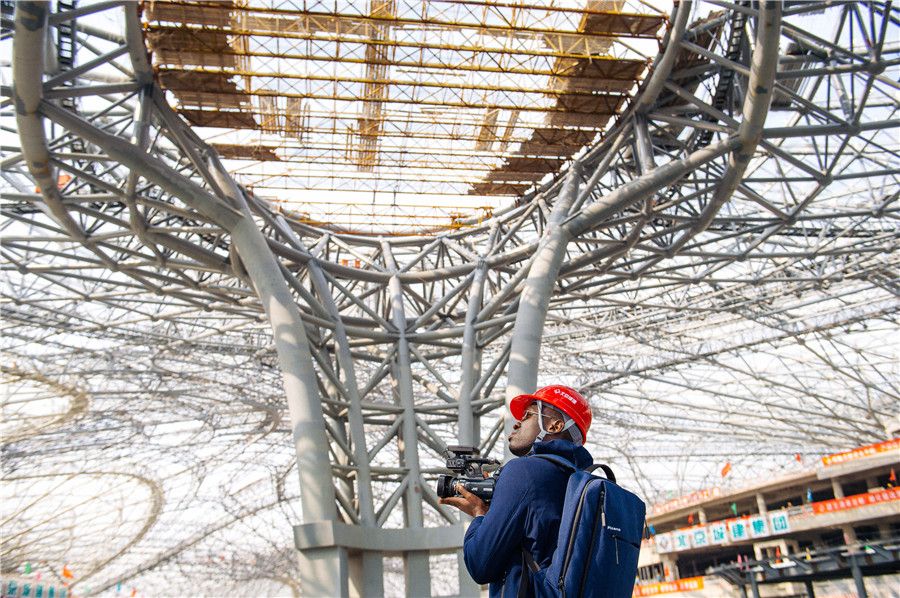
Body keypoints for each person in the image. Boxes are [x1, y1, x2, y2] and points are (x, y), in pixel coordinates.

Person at [440, 384, 593, 597]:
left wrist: (480, 514)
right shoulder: (584, 483)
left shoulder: (522, 472)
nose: (516, 424)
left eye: (529, 415)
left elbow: (479, 565)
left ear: (555, 426)